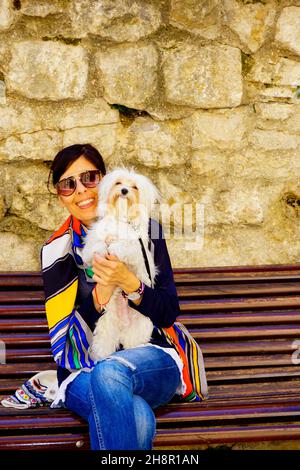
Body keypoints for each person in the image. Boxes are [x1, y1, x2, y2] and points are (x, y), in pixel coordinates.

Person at [41, 143, 185, 450]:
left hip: (150, 357)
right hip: (82, 368)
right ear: (60, 194)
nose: (81, 190)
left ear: (105, 180)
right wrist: (104, 289)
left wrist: (132, 285)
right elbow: (66, 336)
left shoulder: (148, 230)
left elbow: (168, 311)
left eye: (89, 178)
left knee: (111, 371)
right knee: (136, 413)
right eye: (68, 184)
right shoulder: (56, 252)